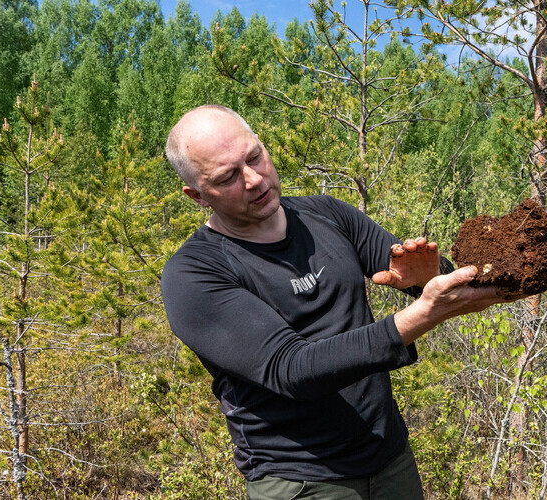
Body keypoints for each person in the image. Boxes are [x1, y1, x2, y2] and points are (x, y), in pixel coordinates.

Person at [161, 104, 521, 499]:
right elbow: (291, 369)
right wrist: (419, 316)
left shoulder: (326, 214)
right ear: (197, 195)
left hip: (390, 459)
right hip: (298, 479)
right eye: (228, 176)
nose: (253, 179)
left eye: (254, 156)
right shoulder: (194, 274)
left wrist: (431, 276)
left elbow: (440, 282)